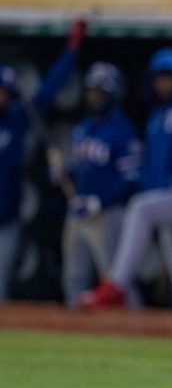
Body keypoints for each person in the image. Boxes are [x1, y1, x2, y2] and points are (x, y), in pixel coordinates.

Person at [79, 47, 172, 311]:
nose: (164, 82)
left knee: (141, 207)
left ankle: (116, 285)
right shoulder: (157, 114)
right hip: (169, 203)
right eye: (159, 76)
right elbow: (150, 166)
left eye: (169, 76)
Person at [0, 19, 85, 301]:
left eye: (3, 92)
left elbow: (48, 91)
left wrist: (71, 50)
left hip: (7, 215)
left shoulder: (17, 119)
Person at [56, 62, 142, 307]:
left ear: (114, 94)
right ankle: (75, 333)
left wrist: (99, 202)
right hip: (77, 208)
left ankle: (137, 325)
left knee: (114, 277)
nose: (95, 96)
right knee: (74, 276)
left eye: (102, 92)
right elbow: (77, 168)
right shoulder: (84, 128)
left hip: (107, 213)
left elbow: (131, 179)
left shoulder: (123, 130)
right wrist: (62, 171)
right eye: (92, 90)